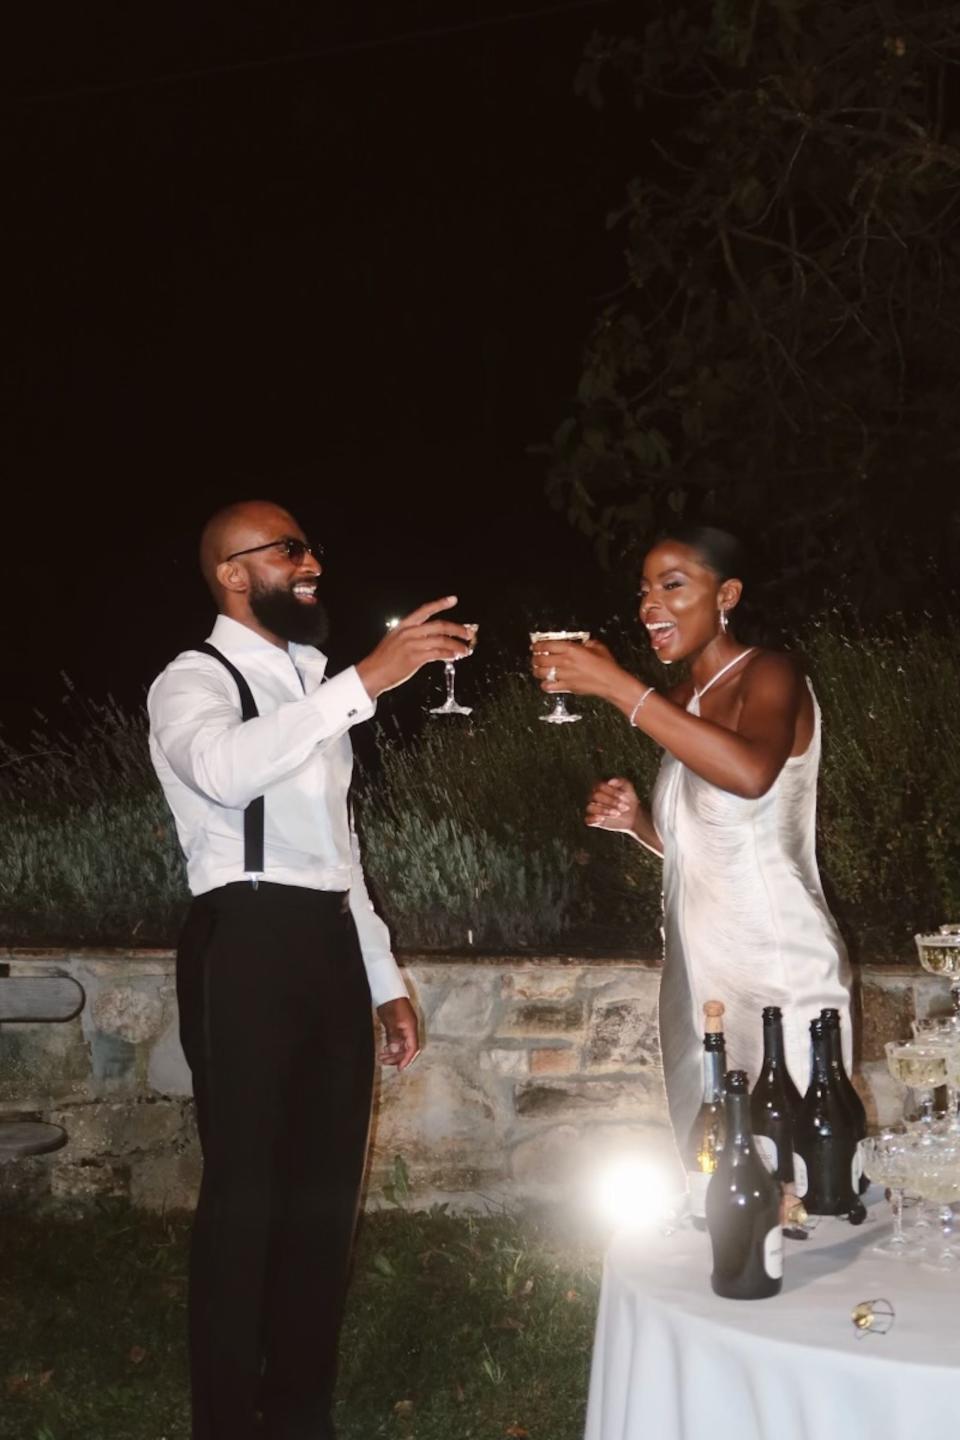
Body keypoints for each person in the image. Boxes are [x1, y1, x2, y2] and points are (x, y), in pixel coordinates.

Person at [148, 499, 475, 1440]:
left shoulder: (311, 677)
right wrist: (369, 679)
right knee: (247, 1196)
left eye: (310, 546)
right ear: (232, 572)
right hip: (243, 938)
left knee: (325, 1197)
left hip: (326, 938)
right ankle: (224, 1419)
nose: (312, 562)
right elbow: (221, 769)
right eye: (289, 549)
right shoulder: (192, 677)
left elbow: (339, 849)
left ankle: (298, 1415)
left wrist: (384, 979)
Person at [529, 524, 852, 1154]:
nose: (649, 605)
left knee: (803, 1177)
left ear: (726, 594)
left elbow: (753, 774)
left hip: (778, 970)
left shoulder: (772, 674)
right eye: (644, 591)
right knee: (712, 1168)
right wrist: (640, 824)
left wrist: (620, 688)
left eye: (672, 586)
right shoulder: (678, 702)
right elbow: (708, 845)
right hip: (698, 977)